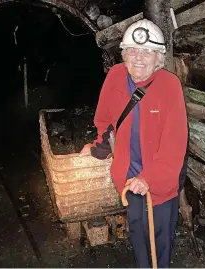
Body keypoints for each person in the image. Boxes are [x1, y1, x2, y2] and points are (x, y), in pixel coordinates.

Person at [80, 18, 189, 268]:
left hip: (160, 179)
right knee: (138, 232)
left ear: (158, 58)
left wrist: (150, 178)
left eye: (147, 51)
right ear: (124, 54)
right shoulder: (116, 76)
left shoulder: (169, 85)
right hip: (129, 178)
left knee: (160, 237)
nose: (139, 58)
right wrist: (96, 149)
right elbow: (107, 121)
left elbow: (174, 143)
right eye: (132, 50)